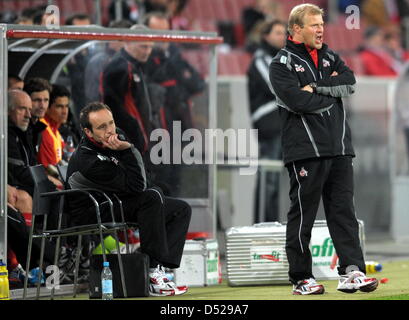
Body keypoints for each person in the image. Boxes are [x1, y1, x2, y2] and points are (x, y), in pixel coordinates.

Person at [269, 3, 378, 295]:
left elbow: (350, 82)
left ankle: (351, 271)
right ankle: (301, 277)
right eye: (314, 25)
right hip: (306, 150)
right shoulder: (281, 64)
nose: (321, 30)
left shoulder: (330, 55)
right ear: (295, 29)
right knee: (303, 215)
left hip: (340, 148)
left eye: (321, 24)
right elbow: (297, 102)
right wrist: (330, 90)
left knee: (344, 213)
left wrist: (315, 88)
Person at [66, 102, 191, 296]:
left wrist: (128, 152)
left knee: (180, 209)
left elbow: (143, 179)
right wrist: (128, 150)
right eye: (102, 127)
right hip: (93, 209)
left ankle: (156, 268)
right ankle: (151, 274)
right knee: (151, 196)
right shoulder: (87, 160)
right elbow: (137, 186)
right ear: (88, 133)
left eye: (111, 123)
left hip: (114, 199)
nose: (110, 131)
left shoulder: (117, 136)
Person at [246, 20, 286, 223]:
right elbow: (276, 86)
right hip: (269, 123)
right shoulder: (261, 58)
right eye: (277, 32)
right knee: (268, 178)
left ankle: (271, 224)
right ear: (265, 36)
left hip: (281, 123)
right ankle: (262, 224)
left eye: (283, 33)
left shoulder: (282, 59)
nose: (282, 36)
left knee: (275, 178)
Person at [102, 24, 155, 155]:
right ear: (128, 42)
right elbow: (116, 107)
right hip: (128, 140)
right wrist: (134, 138)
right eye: (143, 46)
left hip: (137, 138)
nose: (147, 51)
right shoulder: (120, 67)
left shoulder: (135, 65)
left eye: (150, 47)